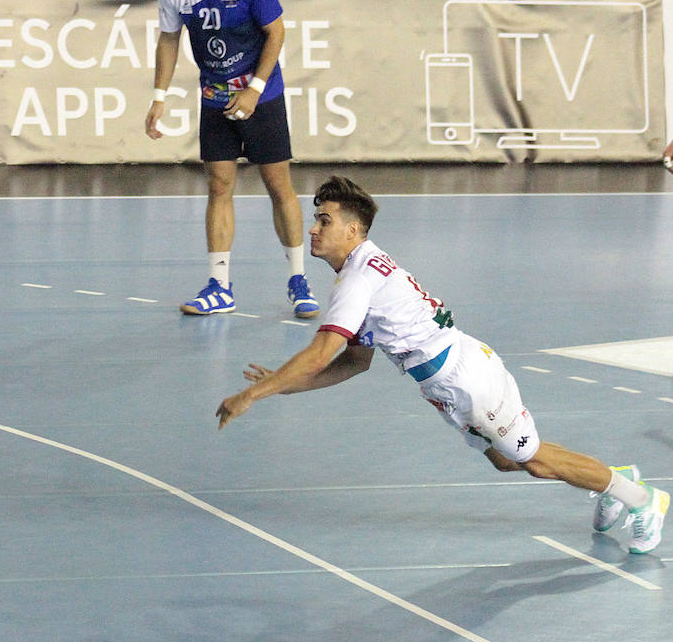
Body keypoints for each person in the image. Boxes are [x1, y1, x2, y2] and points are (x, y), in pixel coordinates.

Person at [216, 176, 669, 555]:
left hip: (464, 378)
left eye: (324, 220)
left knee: (532, 459)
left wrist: (255, 394)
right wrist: (284, 385)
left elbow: (321, 354)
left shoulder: (358, 278)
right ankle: (616, 479)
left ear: (353, 231)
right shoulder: (358, 273)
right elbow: (356, 362)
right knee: (506, 461)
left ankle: (642, 499)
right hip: (445, 384)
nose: (313, 229)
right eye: (316, 219)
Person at [145, 0, 319, 319]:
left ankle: (299, 281)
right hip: (215, 98)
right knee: (219, 185)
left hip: (262, 95)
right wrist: (158, 96)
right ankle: (220, 286)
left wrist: (255, 90)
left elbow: (275, 32)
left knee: (279, 185)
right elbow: (168, 41)